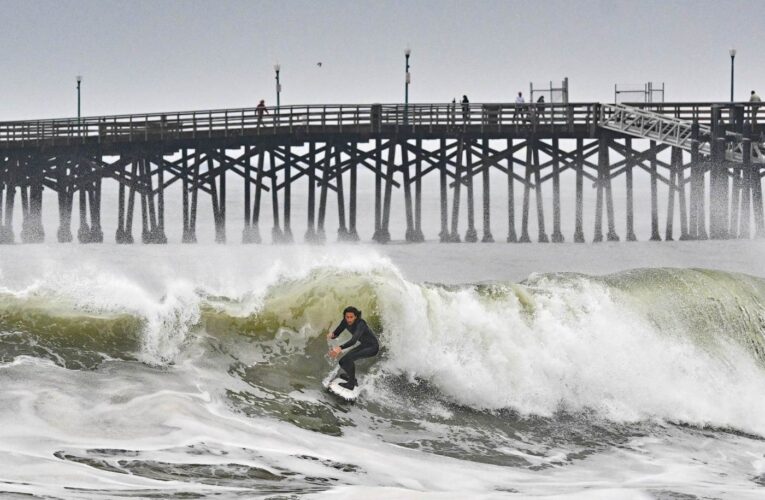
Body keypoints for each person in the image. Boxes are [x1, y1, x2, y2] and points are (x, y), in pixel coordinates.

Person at [326, 306, 379, 390]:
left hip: (372, 347)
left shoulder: (361, 324)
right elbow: (337, 332)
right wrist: (331, 335)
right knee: (342, 361)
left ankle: (351, 384)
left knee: (348, 360)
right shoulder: (345, 322)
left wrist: (340, 348)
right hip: (364, 345)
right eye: (347, 317)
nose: (349, 319)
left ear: (356, 317)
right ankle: (352, 378)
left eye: (351, 317)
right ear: (344, 316)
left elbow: (354, 340)